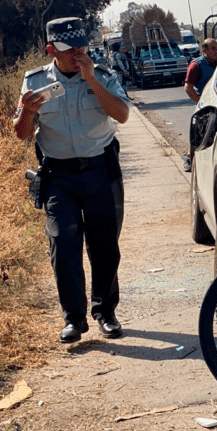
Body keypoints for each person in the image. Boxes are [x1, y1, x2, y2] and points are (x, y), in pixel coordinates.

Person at [13, 17, 131, 343]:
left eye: (82, 47)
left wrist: (91, 79)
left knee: (104, 246)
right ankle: (73, 319)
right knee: (63, 246)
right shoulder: (35, 83)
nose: (79, 54)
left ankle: (105, 312)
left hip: (101, 171)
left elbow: (121, 114)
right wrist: (26, 112)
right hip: (59, 176)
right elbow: (21, 134)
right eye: (70, 50)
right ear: (51, 49)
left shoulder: (102, 75)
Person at [182, 38, 217, 172]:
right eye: (213, 48)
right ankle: (189, 158)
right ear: (204, 50)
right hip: (204, 105)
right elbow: (188, 87)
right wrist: (200, 103)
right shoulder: (196, 65)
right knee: (198, 133)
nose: (216, 51)